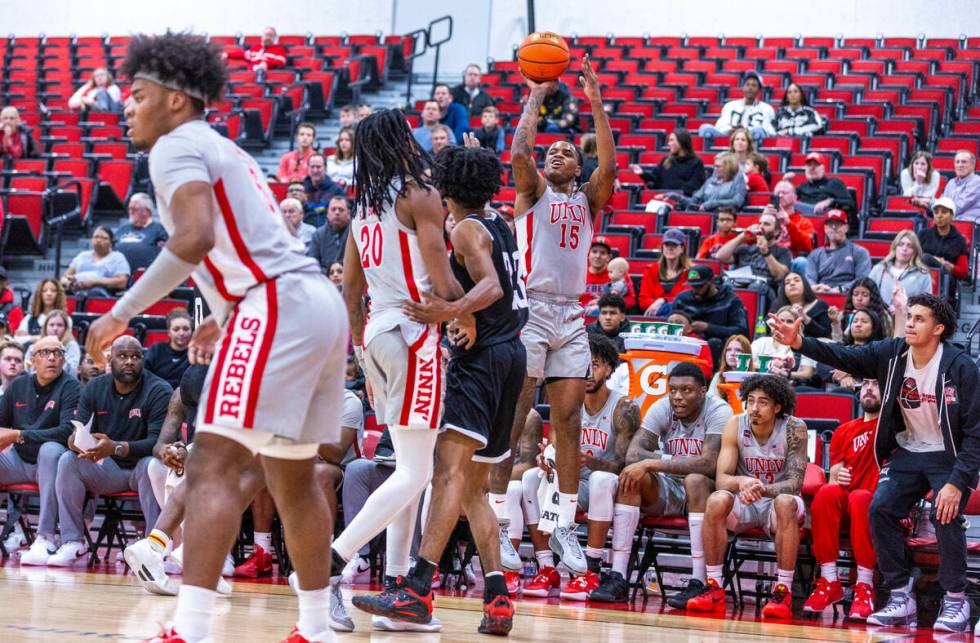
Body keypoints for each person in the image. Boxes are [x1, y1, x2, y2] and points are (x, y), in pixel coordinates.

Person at [82, 33, 350, 643]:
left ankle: (192, 629)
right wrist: (225, 307)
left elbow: (196, 236)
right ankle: (315, 630)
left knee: (210, 467)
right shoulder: (220, 145)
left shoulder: (174, 146)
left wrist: (119, 312)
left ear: (176, 101)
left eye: (139, 94)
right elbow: (236, 240)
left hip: (277, 303)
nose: (128, 106)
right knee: (291, 474)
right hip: (312, 304)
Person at [354, 144, 528, 634]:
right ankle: (498, 599)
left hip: (485, 359)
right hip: (511, 354)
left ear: (447, 188)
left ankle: (416, 588)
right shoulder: (497, 223)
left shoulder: (469, 229)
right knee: (472, 489)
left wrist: (447, 311)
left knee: (445, 472)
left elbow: (491, 287)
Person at [769, 294, 980, 634]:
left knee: (947, 512)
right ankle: (900, 595)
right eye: (908, 316)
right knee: (879, 508)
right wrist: (800, 342)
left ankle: (956, 597)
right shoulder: (893, 353)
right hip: (908, 450)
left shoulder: (960, 367)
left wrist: (958, 482)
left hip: (948, 454)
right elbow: (847, 356)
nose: (909, 323)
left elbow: (976, 432)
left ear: (938, 329)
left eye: (919, 319)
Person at [333, 108, 469, 634]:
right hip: (415, 336)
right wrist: (477, 308)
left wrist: (362, 355)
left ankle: (396, 592)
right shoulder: (418, 194)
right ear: (402, 141)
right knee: (417, 472)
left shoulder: (364, 203)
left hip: (376, 337)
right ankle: (328, 567)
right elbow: (442, 284)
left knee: (410, 469)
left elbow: (349, 289)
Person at [487, 55, 615, 577]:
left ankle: (561, 522)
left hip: (571, 316)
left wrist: (595, 103)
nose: (558, 154)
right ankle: (497, 526)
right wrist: (537, 92)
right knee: (516, 420)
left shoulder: (588, 198)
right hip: (531, 312)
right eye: (553, 151)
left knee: (568, 423)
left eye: (567, 151)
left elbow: (609, 165)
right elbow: (520, 151)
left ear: (578, 167)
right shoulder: (532, 191)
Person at [592, 362, 732, 604]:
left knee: (696, 479)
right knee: (631, 475)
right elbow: (634, 455)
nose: (677, 397)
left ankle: (700, 581)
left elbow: (709, 463)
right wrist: (654, 464)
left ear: (702, 391)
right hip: (670, 487)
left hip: (706, 495)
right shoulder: (663, 406)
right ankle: (618, 576)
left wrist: (653, 463)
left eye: (686, 390)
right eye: (673, 390)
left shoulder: (719, 410)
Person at [518, 335, 639, 603]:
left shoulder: (624, 407)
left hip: (607, 486)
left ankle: (591, 570)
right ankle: (547, 567)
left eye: (594, 364)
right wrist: (547, 461)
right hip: (572, 484)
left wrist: (594, 462)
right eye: (582, 364)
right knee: (530, 478)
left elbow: (626, 465)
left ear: (608, 368)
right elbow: (554, 446)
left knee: (601, 479)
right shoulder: (566, 404)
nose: (587, 371)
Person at [686, 374, 808, 619]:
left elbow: (795, 483)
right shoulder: (735, 424)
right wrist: (742, 482)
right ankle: (714, 587)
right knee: (717, 499)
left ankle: (783, 590)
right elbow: (722, 478)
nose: (754, 408)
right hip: (744, 500)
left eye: (762, 402)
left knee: (785, 502)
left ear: (777, 406)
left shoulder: (795, 428)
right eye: (750, 400)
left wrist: (762, 489)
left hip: (778, 502)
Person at [49, 336, 170, 567]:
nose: (129, 362)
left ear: (142, 360)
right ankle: (73, 542)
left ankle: (154, 549)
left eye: (135, 357)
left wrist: (115, 446)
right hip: (108, 469)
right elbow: (78, 428)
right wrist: (76, 442)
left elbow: (157, 442)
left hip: (142, 467)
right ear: (109, 359)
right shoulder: (94, 387)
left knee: (153, 466)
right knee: (68, 460)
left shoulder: (158, 390)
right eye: (123, 356)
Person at [802, 378, 881, 618]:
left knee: (861, 498)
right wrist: (837, 473)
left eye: (876, 384)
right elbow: (836, 473)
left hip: (879, 510)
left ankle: (865, 585)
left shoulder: (894, 428)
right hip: (848, 508)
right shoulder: (844, 431)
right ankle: (829, 581)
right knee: (827, 491)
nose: (868, 388)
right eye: (865, 383)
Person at [0, 336, 80, 564]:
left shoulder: (71, 386)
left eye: (57, 353)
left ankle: (45, 537)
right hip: (16, 461)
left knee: (50, 450)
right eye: (45, 353)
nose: (52, 357)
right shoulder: (18, 385)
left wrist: (19, 435)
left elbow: (67, 431)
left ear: (64, 359)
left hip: (50, 465)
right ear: (33, 360)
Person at [671, 265, 749, 364]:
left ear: (712, 281)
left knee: (714, 342)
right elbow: (670, 325)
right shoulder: (682, 299)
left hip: (719, 348)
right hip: (688, 343)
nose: (695, 290)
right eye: (692, 286)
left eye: (700, 286)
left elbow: (741, 332)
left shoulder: (731, 300)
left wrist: (708, 328)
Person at [715, 211, 792, 288]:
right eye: (759, 223)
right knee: (726, 285)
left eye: (766, 224)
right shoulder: (745, 248)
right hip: (740, 283)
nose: (761, 227)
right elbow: (720, 256)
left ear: (776, 232)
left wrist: (766, 253)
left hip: (763, 289)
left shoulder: (783, 252)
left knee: (755, 287)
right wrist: (742, 236)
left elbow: (781, 275)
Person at [697, 71, 775, 147]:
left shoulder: (767, 109)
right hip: (729, 136)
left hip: (750, 138)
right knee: (705, 128)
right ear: (743, 87)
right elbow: (721, 125)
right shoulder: (730, 105)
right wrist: (731, 130)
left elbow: (768, 130)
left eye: (754, 85)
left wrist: (745, 131)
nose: (750, 88)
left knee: (758, 131)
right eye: (747, 85)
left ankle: (753, 157)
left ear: (759, 90)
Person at [805, 209, 872, 293]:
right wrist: (815, 287)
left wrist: (841, 289)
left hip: (848, 296)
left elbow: (863, 279)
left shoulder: (860, 252)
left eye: (838, 224)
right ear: (825, 229)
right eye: (830, 224)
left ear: (846, 228)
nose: (834, 227)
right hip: (821, 294)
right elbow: (809, 279)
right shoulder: (814, 255)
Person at [629, 128, 705, 197]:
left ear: (682, 142)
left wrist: (673, 195)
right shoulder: (666, 160)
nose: (669, 143)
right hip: (662, 199)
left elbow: (693, 186)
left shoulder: (696, 162)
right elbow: (655, 180)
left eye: (672, 140)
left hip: (681, 202)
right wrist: (642, 173)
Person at [751, 306, 817, 385]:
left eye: (789, 321)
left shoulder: (804, 345)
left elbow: (807, 374)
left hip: (790, 387)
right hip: (760, 384)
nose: (784, 324)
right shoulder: (761, 342)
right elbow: (748, 362)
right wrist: (769, 366)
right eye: (781, 320)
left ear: (797, 325)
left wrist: (786, 374)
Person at [60, 226, 131, 297]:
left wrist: (94, 282)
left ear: (111, 243)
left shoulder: (117, 257)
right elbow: (64, 278)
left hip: (101, 294)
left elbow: (122, 282)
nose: (99, 240)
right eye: (96, 237)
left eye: (104, 238)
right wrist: (69, 283)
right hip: (75, 291)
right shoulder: (82, 255)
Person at [867, 230, 932, 306]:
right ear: (895, 248)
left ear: (915, 251)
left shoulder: (923, 275)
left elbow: (925, 306)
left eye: (909, 246)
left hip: (908, 316)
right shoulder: (878, 269)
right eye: (901, 244)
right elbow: (867, 294)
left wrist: (903, 310)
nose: (904, 249)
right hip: (880, 315)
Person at [639, 227, 691, 316]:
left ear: (682, 248)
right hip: (654, 317)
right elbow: (643, 302)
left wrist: (662, 300)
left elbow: (686, 301)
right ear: (662, 247)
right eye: (667, 245)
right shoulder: (651, 270)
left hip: (681, 318)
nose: (670, 248)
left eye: (674, 245)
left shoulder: (690, 272)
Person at [116, 192, 170, 271]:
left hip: (144, 275)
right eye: (129, 208)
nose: (130, 212)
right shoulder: (123, 229)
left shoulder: (159, 230)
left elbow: (165, 256)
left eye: (134, 209)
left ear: (146, 211)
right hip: (118, 274)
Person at [919, 197, 969, 282]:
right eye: (936, 212)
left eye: (944, 212)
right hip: (921, 276)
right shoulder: (924, 234)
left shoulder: (959, 240)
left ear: (952, 215)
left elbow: (963, 272)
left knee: (926, 258)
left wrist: (947, 264)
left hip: (946, 279)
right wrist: (934, 259)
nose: (939, 216)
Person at [768, 271, 830, 339]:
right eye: (787, 283)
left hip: (811, 347)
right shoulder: (777, 306)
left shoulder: (820, 305)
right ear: (783, 289)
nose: (792, 283)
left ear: (805, 285)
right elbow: (765, 330)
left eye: (797, 280)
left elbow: (826, 334)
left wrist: (805, 318)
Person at [581, 236, 635, 311]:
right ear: (588, 254)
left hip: (608, 314)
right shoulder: (579, 274)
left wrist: (606, 303)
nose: (598, 256)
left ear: (609, 257)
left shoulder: (618, 273)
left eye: (602, 253)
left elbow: (631, 300)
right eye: (594, 251)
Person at [765, 180, 814, 260]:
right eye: (778, 193)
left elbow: (806, 248)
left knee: (801, 261)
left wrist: (788, 223)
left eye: (784, 193)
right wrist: (762, 221)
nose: (780, 195)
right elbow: (753, 241)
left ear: (795, 198)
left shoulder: (804, 222)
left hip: (792, 261)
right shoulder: (765, 218)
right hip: (767, 258)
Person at [796, 153, 855, 219]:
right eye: (809, 165)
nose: (812, 168)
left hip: (826, 221)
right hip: (803, 221)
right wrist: (785, 183)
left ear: (823, 168)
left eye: (816, 165)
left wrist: (829, 201)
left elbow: (850, 203)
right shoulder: (802, 186)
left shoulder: (834, 183)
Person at [144, 309, 192, 389]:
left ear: (191, 331)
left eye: (186, 329)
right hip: (158, 393)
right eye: (176, 329)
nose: (181, 333)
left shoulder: (195, 352)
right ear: (169, 332)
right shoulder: (156, 349)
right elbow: (145, 376)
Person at [24, 310, 80, 379]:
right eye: (51, 325)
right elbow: (27, 370)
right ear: (45, 327)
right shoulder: (34, 347)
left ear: (65, 329)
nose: (55, 328)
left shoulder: (72, 346)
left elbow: (71, 370)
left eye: (60, 325)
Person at [307, 195, 352, 273]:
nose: (337, 212)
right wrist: (330, 274)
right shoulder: (318, 235)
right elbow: (313, 264)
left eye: (341, 210)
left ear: (349, 213)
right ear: (327, 213)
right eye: (333, 209)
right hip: (324, 281)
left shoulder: (355, 233)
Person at [16, 279, 67, 343]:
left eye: (53, 291)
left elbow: (67, 340)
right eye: (44, 291)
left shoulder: (66, 319)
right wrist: (35, 338)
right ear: (39, 294)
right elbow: (17, 339)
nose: (49, 293)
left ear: (59, 295)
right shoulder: (29, 319)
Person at [303, 153, 347, 227]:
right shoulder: (301, 189)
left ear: (325, 168)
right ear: (308, 168)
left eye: (318, 167)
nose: (315, 170)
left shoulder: (337, 190)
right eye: (312, 167)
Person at [707, 334, 753, 398]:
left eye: (738, 350)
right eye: (728, 350)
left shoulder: (754, 379)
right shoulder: (719, 376)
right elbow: (711, 401)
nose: (732, 353)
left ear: (747, 354)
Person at [939, 150, 980, 222]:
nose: (960, 165)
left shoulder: (977, 182)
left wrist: (932, 204)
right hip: (951, 224)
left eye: (964, 162)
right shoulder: (951, 183)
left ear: (972, 166)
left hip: (970, 226)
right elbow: (943, 204)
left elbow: (958, 207)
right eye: (957, 162)